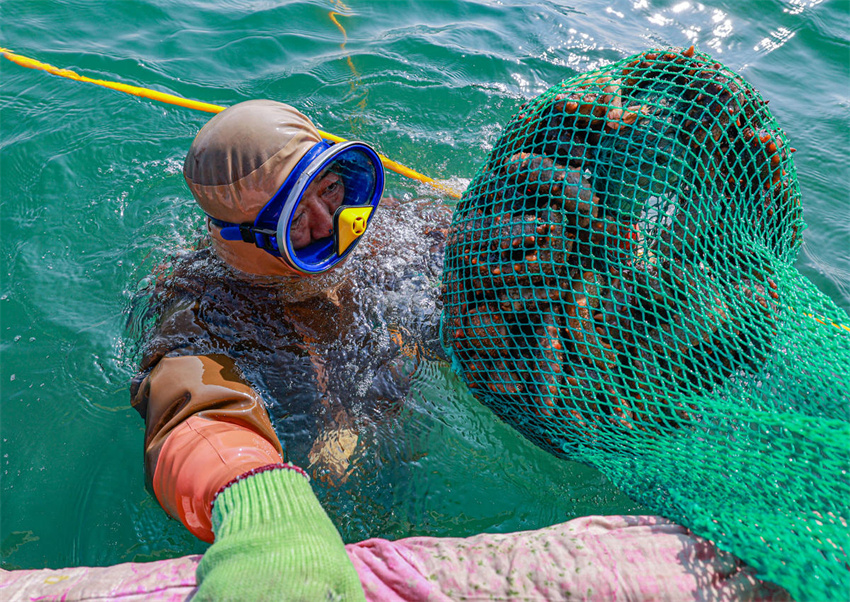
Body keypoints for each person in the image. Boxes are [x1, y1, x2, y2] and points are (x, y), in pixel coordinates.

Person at [129, 99, 448, 600]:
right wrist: (255, 500)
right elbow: (188, 409)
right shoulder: (203, 308)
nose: (332, 226)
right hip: (313, 474)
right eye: (296, 219)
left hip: (395, 428)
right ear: (241, 235)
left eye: (331, 188)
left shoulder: (382, 228)